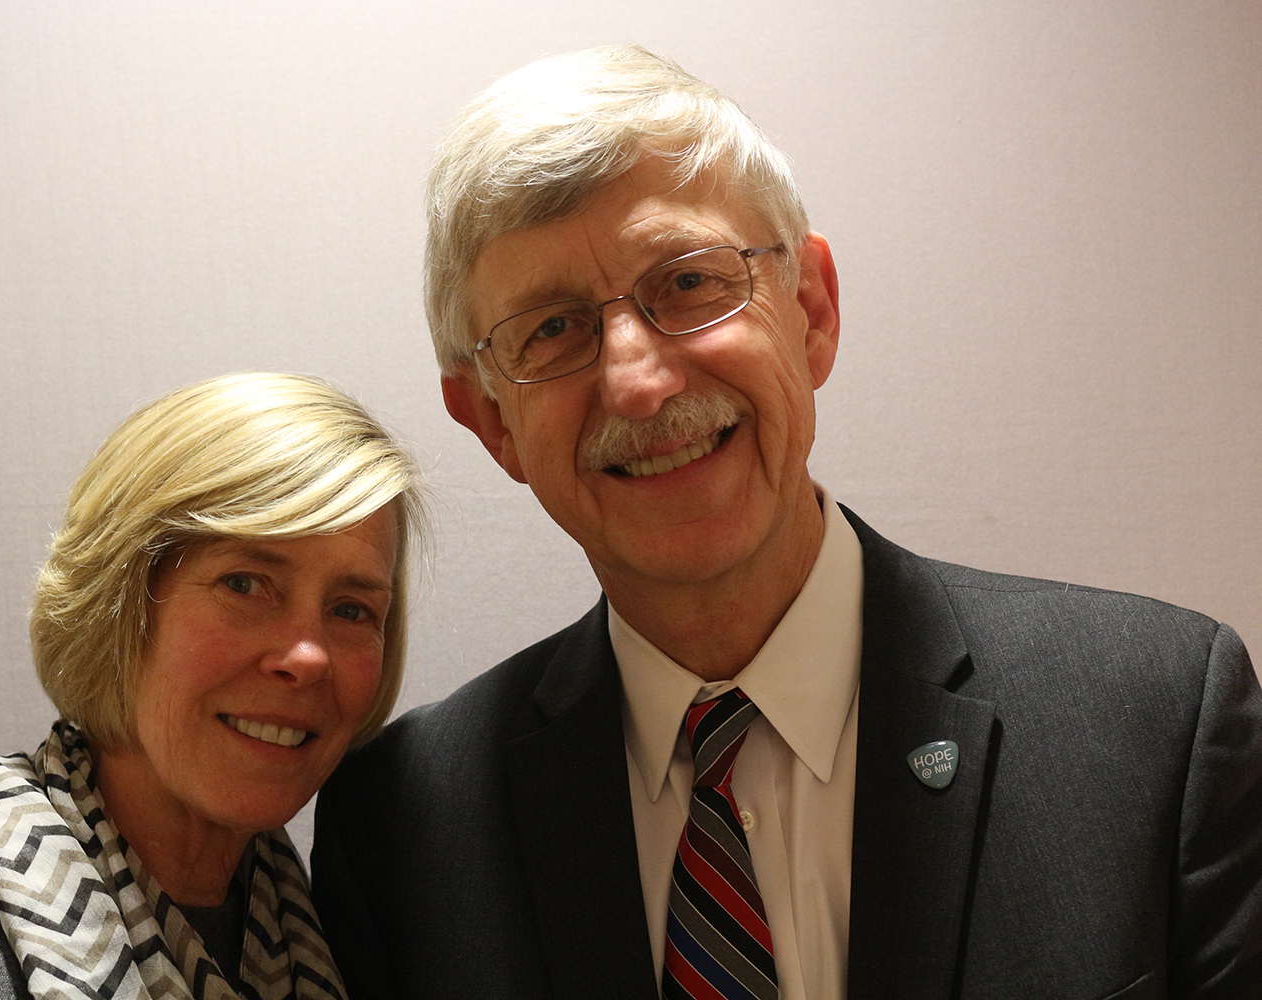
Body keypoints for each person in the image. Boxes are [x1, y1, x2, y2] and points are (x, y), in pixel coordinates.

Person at [309, 45, 1262, 1000]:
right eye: (552, 329)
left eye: (687, 282)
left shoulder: (1155, 723)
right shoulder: (401, 830)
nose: (638, 382)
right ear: (490, 424)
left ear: (810, 311)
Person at [0, 371, 425, 1000]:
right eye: (244, 582)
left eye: (351, 610)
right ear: (118, 606)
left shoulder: (368, 941)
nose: (307, 657)